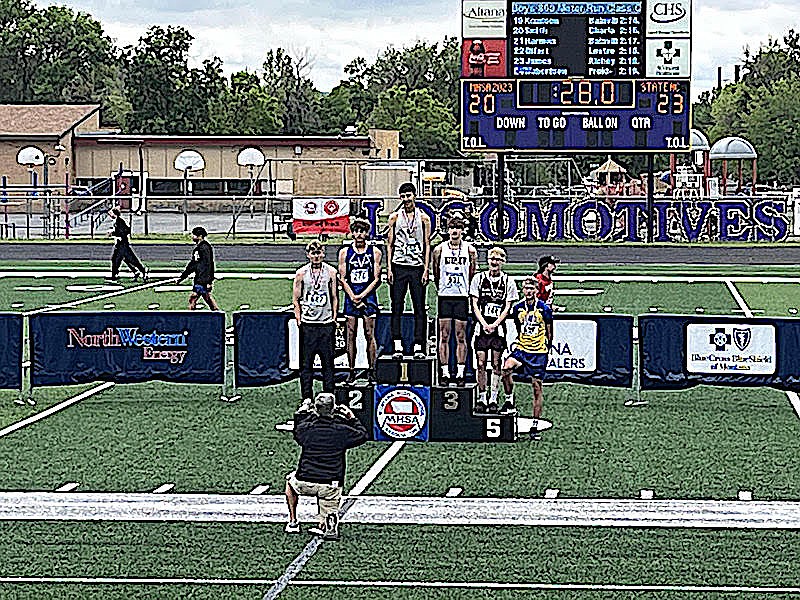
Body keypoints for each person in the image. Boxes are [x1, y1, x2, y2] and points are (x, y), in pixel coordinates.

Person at [284, 392, 368, 540]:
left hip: (305, 479)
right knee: (329, 502)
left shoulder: (307, 428)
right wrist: (351, 417)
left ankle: (293, 522)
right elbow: (362, 435)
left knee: (290, 482)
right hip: (331, 483)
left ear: (315, 409)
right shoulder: (341, 430)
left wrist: (303, 412)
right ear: (333, 408)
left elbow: (298, 430)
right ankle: (326, 523)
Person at [501, 277, 553, 438]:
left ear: (537, 290)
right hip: (522, 349)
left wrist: (546, 349)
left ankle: (535, 426)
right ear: (522, 290)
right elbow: (518, 327)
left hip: (538, 352)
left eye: (531, 289)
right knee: (505, 368)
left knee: (536, 388)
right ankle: (509, 400)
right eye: (526, 288)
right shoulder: (518, 308)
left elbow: (550, 331)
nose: (528, 291)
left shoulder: (544, 309)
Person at [386, 182, 431, 360]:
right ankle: (397, 343)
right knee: (396, 306)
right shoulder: (394, 218)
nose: (406, 199)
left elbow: (427, 244)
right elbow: (389, 244)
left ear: (415, 195)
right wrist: (389, 268)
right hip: (399, 265)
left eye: (409, 195)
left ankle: (419, 344)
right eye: (403, 196)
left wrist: (426, 269)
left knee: (419, 307)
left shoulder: (424, 218)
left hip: (416, 267)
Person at [469, 246, 518, 412]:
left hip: (498, 328)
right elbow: (474, 303)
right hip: (481, 326)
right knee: (481, 363)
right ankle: (482, 397)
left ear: (503, 262)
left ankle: (493, 398)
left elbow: (507, 306)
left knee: (497, 363)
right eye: (492, 259)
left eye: (498, 259)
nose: (494, 262)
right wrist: (483, 323)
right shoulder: (478, 278)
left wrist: (495, 324)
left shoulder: (508, 281)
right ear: (488, 260)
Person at [432, 214, 477, 385]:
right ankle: (444, 373)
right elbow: (436, 273)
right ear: (447, 230)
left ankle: (459, 373)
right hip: (445, 296)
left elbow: (472, 272)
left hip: (461, 297)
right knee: (444, 335)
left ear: (463, 231)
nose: (454, 231)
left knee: (460, 336)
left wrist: (465, 288)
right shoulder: (439, 250)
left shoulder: (470, 250)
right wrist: (442, 286)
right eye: (451, 228)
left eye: (457, 228)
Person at [293, 241, 338, 402]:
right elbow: (296, 299)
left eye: (319, 253)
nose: (316, 256)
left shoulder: (331, 272)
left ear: (323, 254)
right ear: (308, 255)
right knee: (306, 363)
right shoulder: (301, 273)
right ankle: (306, 397)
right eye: (313, 253)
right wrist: (299, 318)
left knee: (328, 363)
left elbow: (334, 297)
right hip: (308, 324)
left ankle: (329, 395)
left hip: (326, 324)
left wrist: (334, 318)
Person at [338, 217, 382, 384]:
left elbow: (377, 278)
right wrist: (353, 297)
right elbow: (342, 278)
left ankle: (371, 370)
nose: (359, 234)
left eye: (362, 231)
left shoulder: (375, 252)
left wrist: (362, 296)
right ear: (352, 233)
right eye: (356, 231)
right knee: (350, 334)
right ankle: (351, 370)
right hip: (351, 296)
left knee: (370, 333)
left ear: (367, 233)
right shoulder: (344, 252)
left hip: (368, 296)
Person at [177, 226, 220, 311]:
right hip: (199, 278)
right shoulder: (198, 248)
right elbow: (192, 265)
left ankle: (190, 319)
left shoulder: (205, 248)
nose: (192, 236)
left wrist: (208, 281)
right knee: (208, 299)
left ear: (200, 236)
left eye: (194, 235)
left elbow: (209, 265)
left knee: (193, 298)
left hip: (203, 280)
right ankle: (219, 316)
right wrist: (182, 277)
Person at [106, 207, 148, 282]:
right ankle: (137, 271)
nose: (109, 214)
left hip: (123, 245)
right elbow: (125, 230)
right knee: (126, 259)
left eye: (111, 212)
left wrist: (113, 233)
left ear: (115, 213)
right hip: (120, 244)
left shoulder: (120, 221)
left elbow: (125, 231)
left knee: (119, 259)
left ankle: (114, 275)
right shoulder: (117, 221)